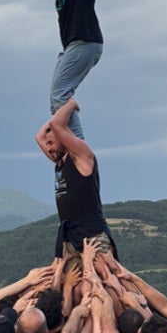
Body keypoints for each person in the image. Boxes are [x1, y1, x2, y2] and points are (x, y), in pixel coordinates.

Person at [36, 98, 116, 258]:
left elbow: (57, 125)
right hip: (70, 237)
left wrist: (70, 104)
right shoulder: (59, 161)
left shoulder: (82, 156)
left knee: (100, 282)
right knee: (71, 283)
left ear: (64, 138)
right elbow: (39, 137)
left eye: (51, 142)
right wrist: (55, 123)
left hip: (93, 237)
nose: (48, 147)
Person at [47, 0, 103, 141]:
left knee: (59, 96)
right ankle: (72, 144)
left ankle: (79, 146)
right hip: (75, 46)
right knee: (56, 101)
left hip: (84, 41)